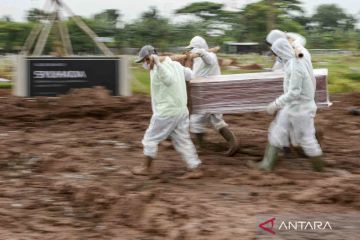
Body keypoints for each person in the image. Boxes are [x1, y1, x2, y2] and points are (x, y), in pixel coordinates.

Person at [248, 38, 324, 172]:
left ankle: (319, 169)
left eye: (276, 53)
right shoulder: (291, 62)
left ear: (281, 52)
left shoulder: (295, 66)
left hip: (301, 108)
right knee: (276, 131)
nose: (275, 56)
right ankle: (266, 164)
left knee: (307, 139)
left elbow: (294, 92)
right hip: (292, 107)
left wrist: (275, 104)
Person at [131, 45, 203, 179]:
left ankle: (146, 168)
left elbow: (168, 80)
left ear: (148, 59)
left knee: (150, 139)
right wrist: (187, 60)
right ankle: (195, 168)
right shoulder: (175, 64)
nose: (144, 65)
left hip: (166, 112)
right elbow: (190, 74)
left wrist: (158, 63)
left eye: (144, 61)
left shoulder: (158, 69)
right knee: (183, 140)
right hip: (181, 111)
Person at [185, 36, 238, 156]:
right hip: (205, 95)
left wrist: (201, 52)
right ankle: (232, 144)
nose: (191, 51)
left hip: (210, 96)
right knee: (216, 120)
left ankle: (202, 146)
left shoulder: (209, 56)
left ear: (198, 49)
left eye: (192, 49)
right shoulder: (198, 60)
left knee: (196, 121)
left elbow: (209, 59)